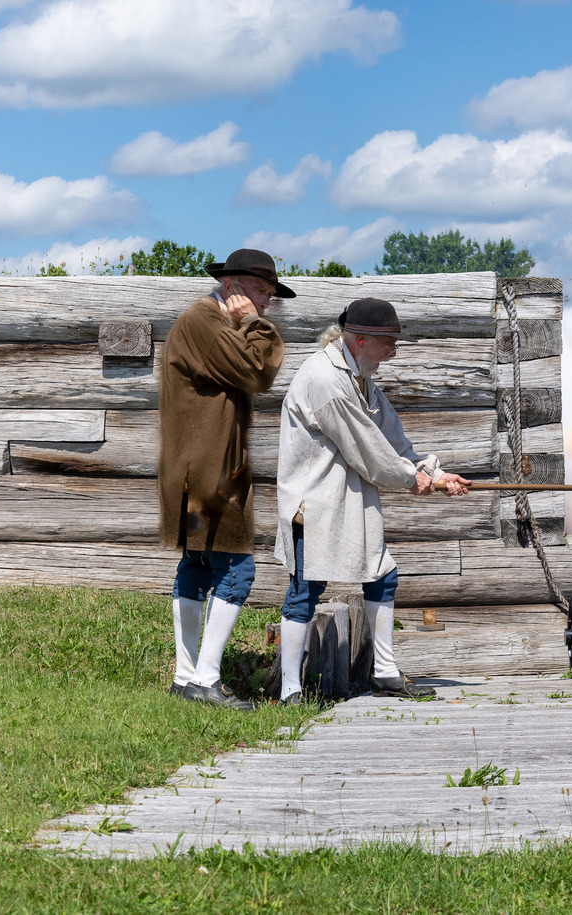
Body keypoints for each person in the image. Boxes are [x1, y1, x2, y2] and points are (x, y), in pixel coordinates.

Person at [273, 297, 470, 704]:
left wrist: (434, 472)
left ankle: (384, 672)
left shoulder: (360, 379)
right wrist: (410, 479)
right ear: (360, 339)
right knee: (305, 590)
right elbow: (368, 449)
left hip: (348, 500)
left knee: (382, 577)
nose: (393, 352)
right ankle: (290, 689)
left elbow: (392, 438)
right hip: (315, 502)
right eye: (388, 343)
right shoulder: (326, 381)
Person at [157, 249, 291, 709]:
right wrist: (255, 323)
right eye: (259, 291)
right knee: (237, 568)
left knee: (196, 565)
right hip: (206, 474)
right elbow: (258, 371)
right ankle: (205, 679)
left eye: (271, 296)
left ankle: (185, 678)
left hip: (207, 469)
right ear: (232, 285)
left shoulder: (215, 324)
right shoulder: (204, 323)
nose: (266, 303)